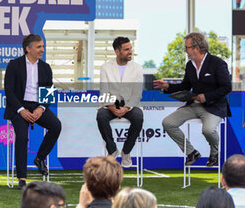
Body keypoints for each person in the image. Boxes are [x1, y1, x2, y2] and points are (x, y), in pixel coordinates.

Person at [154, 32, 231, 167]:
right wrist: (167, 86)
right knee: (168, 123)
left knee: (207, 130)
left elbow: (226, 87)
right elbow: (185, 86)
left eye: (187, 47)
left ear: (197, 48)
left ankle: (215, 153)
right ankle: (191, 152)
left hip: (214, 106)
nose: (185, 50)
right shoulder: (190, 65)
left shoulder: (217, 63)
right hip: (194, 105)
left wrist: (206, 97)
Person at [4, 34, 62, 190]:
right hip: (18, 107)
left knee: (56, 126)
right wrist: (21, 110)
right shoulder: (14, 65)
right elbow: (9, 91)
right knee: (22, 138)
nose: (42, 50)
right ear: (28, 49)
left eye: (43, 46)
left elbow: (48, 92)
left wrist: (41, 108)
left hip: (37, 106)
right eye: (39, 47)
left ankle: (40, 158)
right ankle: (22, 179)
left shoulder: (45, 67)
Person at [96, 36, 143, 167]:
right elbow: (104, 91)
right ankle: (112, 150)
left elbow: (137, 93)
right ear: (117, 51)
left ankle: (126, 152)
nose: (130, 52)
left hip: (130, 105)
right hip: (110, 103)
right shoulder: (105, 67)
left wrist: (126, 108)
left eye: (131, 48)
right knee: (101, 116)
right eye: (126, 49)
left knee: (138, 117)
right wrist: (112, 107)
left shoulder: (137, 68)